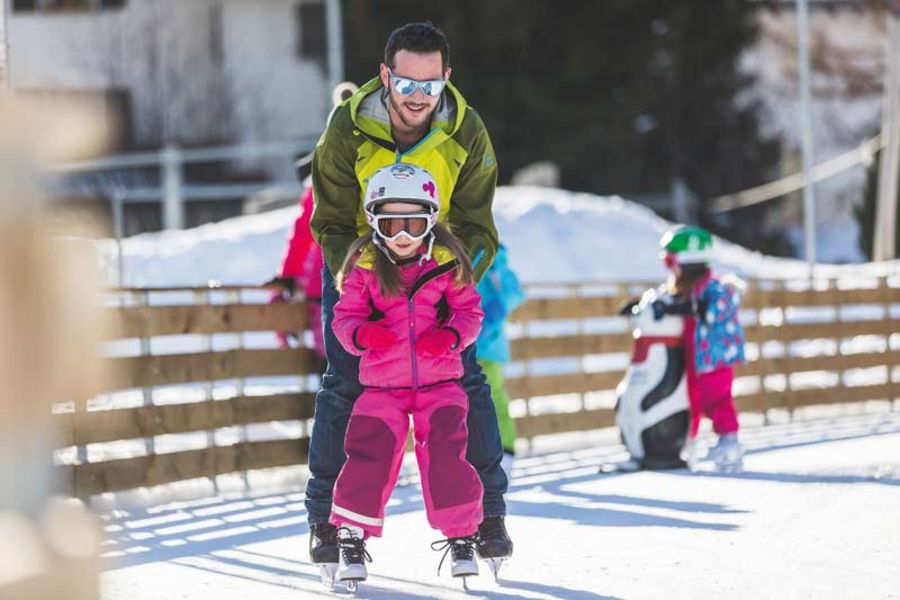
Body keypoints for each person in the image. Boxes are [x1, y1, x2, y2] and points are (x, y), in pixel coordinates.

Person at [307, 21, 511, 573]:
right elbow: (326, 219)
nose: (417, 97)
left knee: (463, 378)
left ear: (446, 79)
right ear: (385, 76)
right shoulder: (347, 129)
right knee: (346, 381)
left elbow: (476, 223)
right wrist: (367, 276)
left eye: (430, 85)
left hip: (436, 271)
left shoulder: (466, 130)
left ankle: (487, 514)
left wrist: (447, 276)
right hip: (360, 270)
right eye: (406, 84)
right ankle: (327, 519)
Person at [328, 164, 485, 584]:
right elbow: (344, 319)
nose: (402, 235)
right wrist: (363, 334)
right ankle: (351, 535)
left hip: (440, 383)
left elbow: (471, 312)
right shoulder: (363, 268)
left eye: (413, 224)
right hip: (382, 387)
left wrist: (450, 336)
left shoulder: (447, 264)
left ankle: (462, 535)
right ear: (375, 223)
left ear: (430, 222)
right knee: (369, 455)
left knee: (448, 453)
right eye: (391, 223)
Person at [658, 225, 747, 470]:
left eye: (670, 261)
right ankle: (690, 440)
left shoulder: (714, 290)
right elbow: (670, 302)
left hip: (715, 358)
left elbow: (710, 311)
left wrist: (685, 308)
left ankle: (729, 441)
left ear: (688, 263)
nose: (669, 268)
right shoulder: (690, 290)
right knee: (694, 400)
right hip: (697, 358)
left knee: (716, 399)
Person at [475, 244, 526, 478]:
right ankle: (474, 452)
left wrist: (496, 309)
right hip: (456, 342)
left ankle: (505, 450)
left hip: (487, 345)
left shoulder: (494, 256)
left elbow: (513, 290)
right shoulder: (454, 248)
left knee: (492, 395)